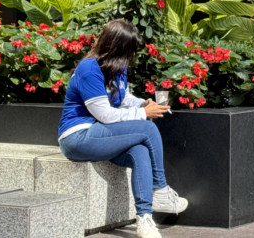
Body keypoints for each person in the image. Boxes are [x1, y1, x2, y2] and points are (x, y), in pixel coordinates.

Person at [58, 19, 188, 238]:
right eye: (129, 50)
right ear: (116, 47)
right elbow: (106, 115)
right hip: (77, 137)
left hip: (100, 134)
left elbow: (123, 97)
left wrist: (142, 104)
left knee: (140, 152)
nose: (131, 56)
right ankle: (161, 190)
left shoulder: (117, 67)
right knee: (148, 130)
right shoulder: (89, 69)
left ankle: (145, 218)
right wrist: (144, 114)